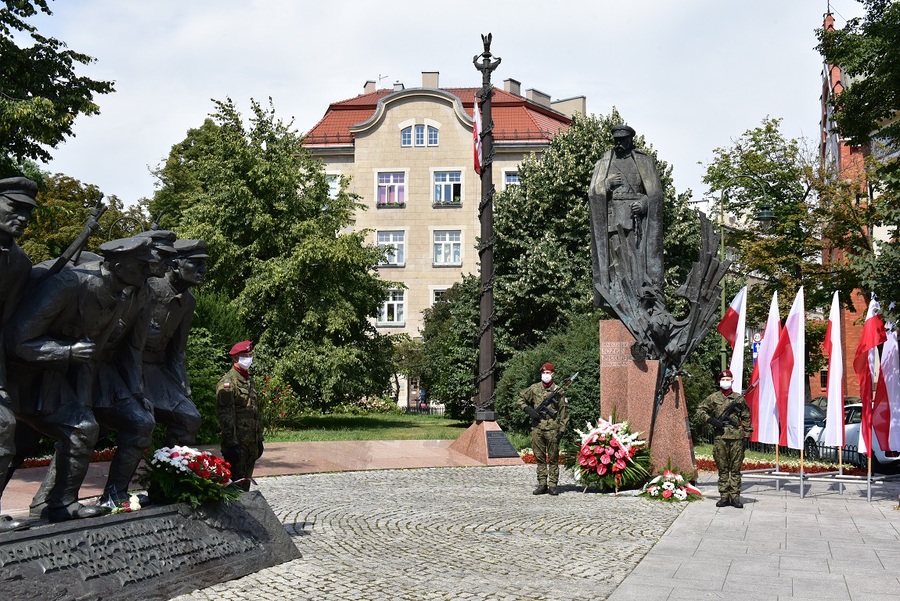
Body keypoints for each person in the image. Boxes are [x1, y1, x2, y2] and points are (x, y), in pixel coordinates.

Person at [8, 236, 157, 521]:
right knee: (12, 444)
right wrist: (67, 351)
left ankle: (61, 504)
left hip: (50, 379)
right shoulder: (69, 284)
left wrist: (84, 403)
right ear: (118, 265)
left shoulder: (117, 297)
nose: (148, 271)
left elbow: (91, 358)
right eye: (142, 265)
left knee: (84, 427)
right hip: (19, 378)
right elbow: (17, 340)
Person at [588, 124, 664, 307]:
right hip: (613, 218)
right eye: (616, 140)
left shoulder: (644, 161)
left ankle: (637, 294)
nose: (619, 144)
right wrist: (607, 183)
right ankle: (619, 294)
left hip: (634, 219)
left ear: (630, 140)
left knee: (635, 258)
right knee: (616, 258)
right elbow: (593, 192)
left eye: (622, 140)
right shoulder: (604, 162)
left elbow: (655, 195)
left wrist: (643, 204)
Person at [0, 177, 38, 532]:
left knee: (7, 429)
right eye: (15, 207)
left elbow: (6, 325)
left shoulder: (19, 263)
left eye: (28, 212)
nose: (23, 218)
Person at [143, 239, 207, 447]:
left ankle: (170, 465)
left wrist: (182, 384)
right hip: (126, 368)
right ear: (175, 264)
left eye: (204, 264)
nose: (203, 270)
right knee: (139, 422)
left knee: (189, 419)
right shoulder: (148, 286)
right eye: (196, 263)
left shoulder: (188, 301)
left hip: (155, 372)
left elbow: (176, 351)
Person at [695, 369, 752, 508]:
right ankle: (724, 497)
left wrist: (747, 435)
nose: (725, 382)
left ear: (732, 381)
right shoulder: (714, 397)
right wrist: (710, 420)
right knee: (723, 468)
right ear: (719, 381)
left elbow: (746, 416)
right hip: (720, 436)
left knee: (736, 469)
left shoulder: (739, 398)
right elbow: (700, 410)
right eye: (723, 380)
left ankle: (735, 497)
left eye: (728, 379)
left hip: (736, 437)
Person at [217, 340, 263, 491]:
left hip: (251, 443)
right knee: (235, 487)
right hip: (237, 445)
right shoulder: (228, 383)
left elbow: (255, 412)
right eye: (245, 356)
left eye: (250, 355)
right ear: (235, 358)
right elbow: (226, 416)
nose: (249, 359)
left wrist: (259, 440)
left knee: (245, 486)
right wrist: (231, 444)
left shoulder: (249, 381)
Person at [518, 363, 569, 496]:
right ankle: (542, 484)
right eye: (543, 373)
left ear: (553, 374)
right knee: (539, 457)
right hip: (537, 428)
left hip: (552, 428)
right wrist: (528, 409)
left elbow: (564, 412)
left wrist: (562, 430)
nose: (545, 375)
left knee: (553, 458)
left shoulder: (558, 391)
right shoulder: (534, 388)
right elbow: (520, 399)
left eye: (548, 373)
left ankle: (552, 485)